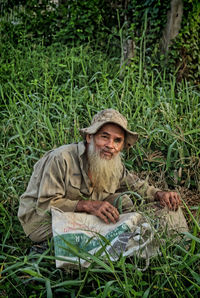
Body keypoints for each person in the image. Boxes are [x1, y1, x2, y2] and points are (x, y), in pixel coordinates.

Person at [18, 109, 188, 243]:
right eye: (104, 137)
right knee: (93, 229)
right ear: (90, 137)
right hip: (42, 220)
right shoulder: (61, 159)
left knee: (124, 201)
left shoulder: (113, 163)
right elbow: (45, 206)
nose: (110, 146)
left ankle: (130, 246)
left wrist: (159, 194)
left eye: (117, 140)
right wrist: (88, 206)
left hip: (83, 212)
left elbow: (135, 185)